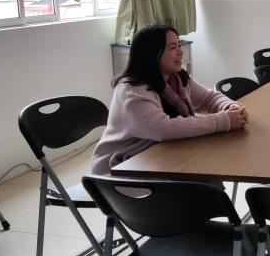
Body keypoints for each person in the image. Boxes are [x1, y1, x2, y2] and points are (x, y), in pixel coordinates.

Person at [91, 24, 248, 176]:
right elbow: (162, 128)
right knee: (201, 177)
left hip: (157, 156)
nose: (180, 52)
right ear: (152, 53)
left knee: (206, 170)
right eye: (173, 48)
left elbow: (208, 98)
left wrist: (230, 107)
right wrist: (223, 121)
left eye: (179, 46)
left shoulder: (176, 78)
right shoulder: (131, 89)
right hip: (118, 169)